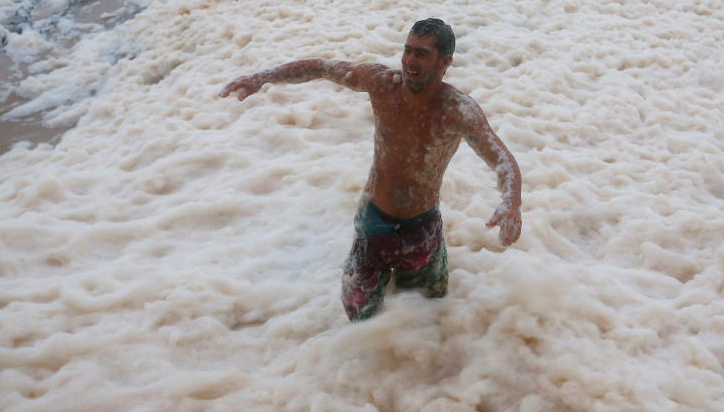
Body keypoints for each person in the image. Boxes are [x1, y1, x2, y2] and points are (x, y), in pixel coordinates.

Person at [220, 19, 522, 321]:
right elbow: (323, 68)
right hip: (374, 222)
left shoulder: (457, 110)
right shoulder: (383, 84)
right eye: (407, 50)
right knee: (358, 313)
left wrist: (511, 202)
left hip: (422, 226)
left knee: (430, 316)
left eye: (421, 54)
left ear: (445, 62)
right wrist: (263, 77)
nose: (409, 61)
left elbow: (501, 158)